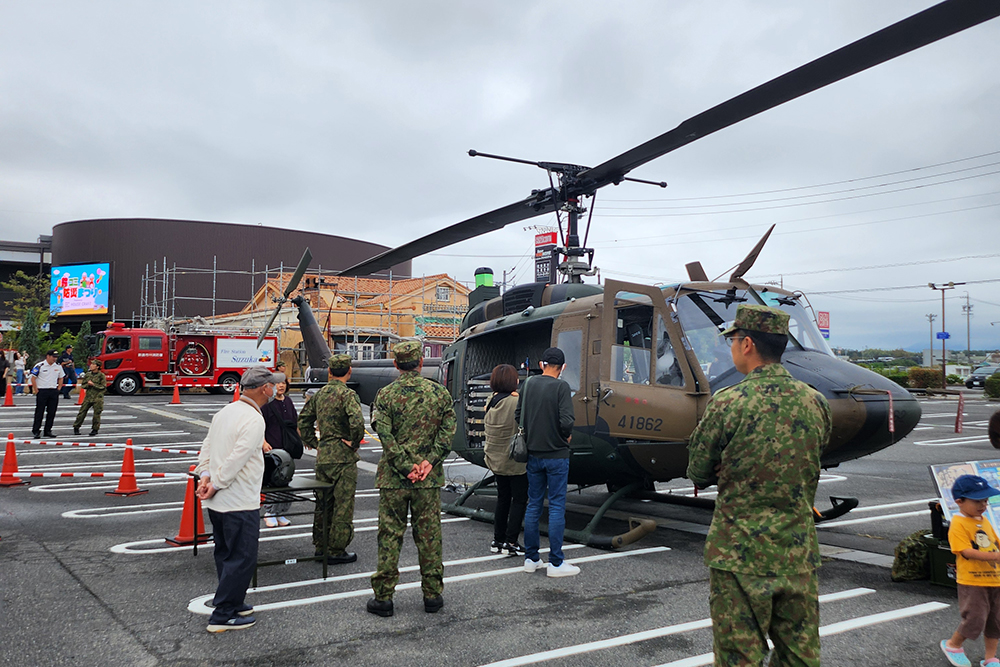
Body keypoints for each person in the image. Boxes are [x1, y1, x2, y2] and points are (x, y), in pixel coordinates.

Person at [686, 304, 832, 667]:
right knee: (800, 656)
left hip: (739, 556)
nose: (731, 348)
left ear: (747, 344)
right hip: (797, 554)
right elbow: (809, 456)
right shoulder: (815, 402)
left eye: (733, 340)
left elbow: (698, 471)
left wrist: (727, 465)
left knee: (740, 657)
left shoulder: (728, 403)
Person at [367, 341, 456, 617]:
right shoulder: (439, 394)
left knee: (390, 536)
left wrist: (405, 467)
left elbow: (385, 437)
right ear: (420, 363)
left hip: (394, 479)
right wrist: (428, 462)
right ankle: (432, 595)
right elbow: (448, 431)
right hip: (427, 480)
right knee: (429, 537)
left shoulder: (385, 395)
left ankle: (384, 598)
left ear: (396, 364)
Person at [194, 366, 277, 633]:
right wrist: (215, 484)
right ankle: (224, 614)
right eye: (272, 385)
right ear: (265, 388)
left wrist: (205, 476)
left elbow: (207, 446)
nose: (275, 388)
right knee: (242, 557)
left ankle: (234, 600)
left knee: (226, 553)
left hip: (219, 503)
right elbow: (237, 459)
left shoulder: (225, 412)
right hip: (239, 500)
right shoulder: (254, 420)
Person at [517, 346, 578, 578]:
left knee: (533, 504)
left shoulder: (529, 384)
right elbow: (567, 420)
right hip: (557, 455)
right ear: (562, 368)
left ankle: (531, 559)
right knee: (556, 506)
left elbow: (517, 415)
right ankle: (555, 562)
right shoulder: (561, 386)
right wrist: (565, 435)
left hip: (532, 454)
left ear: (542, 365)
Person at [298, 354, 364, 565]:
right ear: (349, 371)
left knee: (323, 503)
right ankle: (336, 549)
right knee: (343, 504)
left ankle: (320, 545)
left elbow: (303, 421)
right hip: (343, 458)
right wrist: (353, 442)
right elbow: (357, 423)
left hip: (324, 455)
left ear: (329, 372)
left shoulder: (320, 395)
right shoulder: (348, 395)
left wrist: (315, 443)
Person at [941, 474, 1000, 667]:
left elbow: (995, 543)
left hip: (996, 579)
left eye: (985, 500)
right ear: (959, 501)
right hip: (973, 581)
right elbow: (965, 551)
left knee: (996, 620)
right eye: (977, 501)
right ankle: (953, 645)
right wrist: (995, 556)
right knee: (975, 618)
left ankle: (990, 657)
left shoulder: (984, 520)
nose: (983, 504)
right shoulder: (958, 523)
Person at [482, 363, 527, 556]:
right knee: (519, 500)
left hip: (495, 458)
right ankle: (511, 541)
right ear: (513, 381)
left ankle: (497, 540)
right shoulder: (515, 402)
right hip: (514, 460)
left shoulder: (491, 400)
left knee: (503, 499)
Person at [260, 373, 298, 527]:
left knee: (286, 481)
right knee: (272, 481)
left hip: (287, 448)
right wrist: (263, 442)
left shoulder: (288, 401)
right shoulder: (267, 404)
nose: (281, 386)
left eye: (283, 383)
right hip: (272, 450)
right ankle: (270, 512)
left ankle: (281, 512)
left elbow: (295, 423)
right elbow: (260, 424)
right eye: (277, 383)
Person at [31, 350, 65, 439]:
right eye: (53, 357)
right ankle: (36, 430)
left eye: (56, 357)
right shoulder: (40, 366)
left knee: (51, 412)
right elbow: (33, 378)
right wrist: (36, 390)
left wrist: (58, 389)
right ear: (48, 356)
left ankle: (48, 430)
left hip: (53, 391)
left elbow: (61, 377)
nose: (55, 358)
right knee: (39, 412)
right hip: (42, 391)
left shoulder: (57, 366)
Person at [73, 359, 107, 437]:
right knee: (82, 412)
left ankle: (95, 429)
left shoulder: (101, 375)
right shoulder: (88, 375)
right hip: (88, 397)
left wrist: (93, 385)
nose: (91, 366)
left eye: (93, 365)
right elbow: (83, 385)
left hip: (97, 397)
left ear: (97, 367)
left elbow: (103, 387)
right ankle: (76, 427)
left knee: (96, 414)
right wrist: (88, 385)